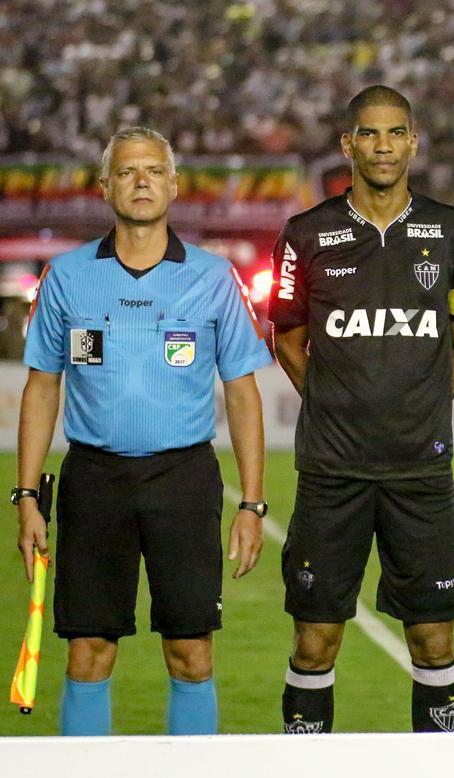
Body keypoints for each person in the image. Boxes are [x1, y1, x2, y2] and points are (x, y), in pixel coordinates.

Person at [15, 126, 272, 736]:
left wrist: (253, 502)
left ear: (175, 186)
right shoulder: (67, 276)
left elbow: (242, 390)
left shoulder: (212, 278)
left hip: (183, 479)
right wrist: (26, 496)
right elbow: (42, 386)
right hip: (94, 480)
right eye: (128, 171)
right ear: (105, 187)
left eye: (154, 170)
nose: (141, 182)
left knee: (191, 652)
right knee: (88, 652)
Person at [268, 85, 454, 734]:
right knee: (315, 642)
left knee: (436, 645)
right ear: (348, 144)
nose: (383, 146)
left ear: (413, 142)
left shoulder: (448, 230)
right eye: (370, 134)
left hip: (420, 474)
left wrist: (421, 403)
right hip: (332, 472)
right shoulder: (306, 234)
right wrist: (334, 399)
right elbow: (284, 335)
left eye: (396, 134)